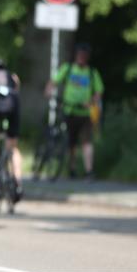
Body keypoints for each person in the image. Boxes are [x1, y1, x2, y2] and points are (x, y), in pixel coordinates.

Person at [44, 42, 104, 180]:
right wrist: (48, 90)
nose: (82, 58)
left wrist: (91, 101)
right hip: (68, 110)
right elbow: (55, 81)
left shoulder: (91, 73)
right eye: (80, 55)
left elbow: (99, 91)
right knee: (71, 142)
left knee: (87, 141)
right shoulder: (68, 68)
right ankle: (72, 168)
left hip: (85, 113)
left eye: (84, 56)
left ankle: (89, 171)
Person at [0, 59, 24, 202]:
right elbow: (17, 90)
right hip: (13, 103)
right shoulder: (12, 76)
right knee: (13, 147)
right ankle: (18, 182)